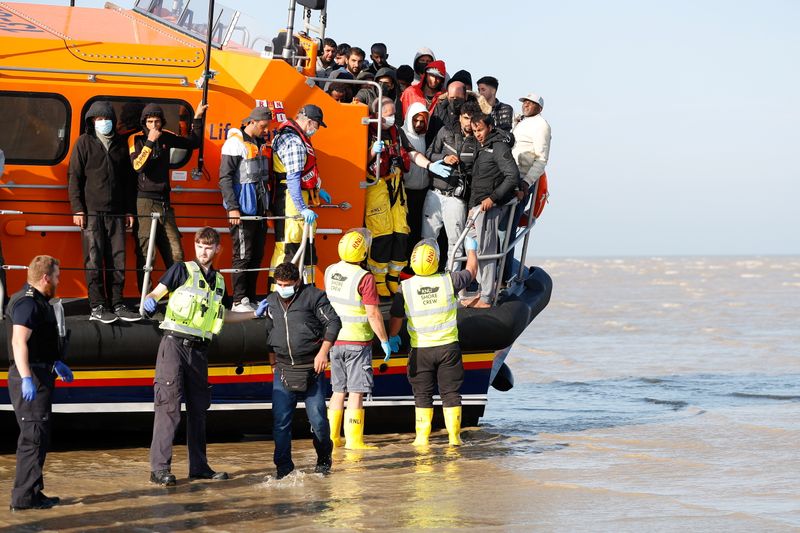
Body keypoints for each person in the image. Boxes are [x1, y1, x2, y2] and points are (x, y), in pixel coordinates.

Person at [142, 227, 266, 486]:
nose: (203, 251)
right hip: (173, 346)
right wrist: (150, 300)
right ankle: (159, 470)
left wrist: (254, 314)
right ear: (194, 246)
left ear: (217, 249)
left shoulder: (219, 282)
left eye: (208, 247)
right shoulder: (181, 270)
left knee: (199, 411)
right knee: (169, 409)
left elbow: (222, 315)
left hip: (198, 351)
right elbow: (157, 292)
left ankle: (199, 467)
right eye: (199, 246)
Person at [388, 237, 478, 446]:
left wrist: (392, 337)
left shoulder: (405, 288)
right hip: (448, 348)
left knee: (422, 395)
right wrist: (471, 250)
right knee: (451, 393)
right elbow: (472, 272)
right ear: (435, 260)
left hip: (421, 351)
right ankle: (454, 438)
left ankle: (421, 439)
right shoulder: (449, 281)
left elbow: (396, 317)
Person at [263, 261, 341, 479]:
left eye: (287, 284)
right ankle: (283, 468)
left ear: (296, 282)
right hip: (283, 369)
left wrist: (323, 353)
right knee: (280, 422)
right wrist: (272, 364)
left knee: (318, 421)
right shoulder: (271, 301)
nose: (282, 288)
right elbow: (268, 334)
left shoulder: (314, 297)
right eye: (279, 284)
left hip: (312, 368)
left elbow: (334, 323)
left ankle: (324, 458)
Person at [366, 97, 451, 297]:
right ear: (377, 115)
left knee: (401, 232)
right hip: (377, 187)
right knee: (382, 234)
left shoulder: (397, 132)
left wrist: (429, 165)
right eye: (387, 115)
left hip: (397, 186)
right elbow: (359, 161)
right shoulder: (367, 130)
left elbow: (411, 154)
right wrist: (372, 152)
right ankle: (378, 279)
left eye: (392, 114)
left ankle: (393, 278)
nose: (391, 118)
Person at [7, 255, 73, 511]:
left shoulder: (38, 302)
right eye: (56, 277)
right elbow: (18, 341)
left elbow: (39, 342)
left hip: (42, 373)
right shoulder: (28, 303)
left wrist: (55, 361)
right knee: (32, 438)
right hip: (32, 377)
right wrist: (26, 377)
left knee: (40, 437)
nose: (58, 281)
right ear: (46, 278)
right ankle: (23, 500)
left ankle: (34, 492)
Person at [68, 101, 139, 324]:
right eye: (97, 119)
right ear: (92, 122)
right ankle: (97, 305)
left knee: (118, 260)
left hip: (117, 213)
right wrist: (77, 209)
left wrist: (129, 209)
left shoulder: (120, 145)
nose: (102, 122)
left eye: (105, 118)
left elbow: (129, 181)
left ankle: (117, 303)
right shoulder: (83, 143)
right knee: (94, 259)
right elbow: (74, 178)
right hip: (91, 213)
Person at [324, 229, 397, 449]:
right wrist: (384, 339)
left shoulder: (330, 270)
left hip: (334, 341)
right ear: (364, 252)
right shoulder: (364, 278)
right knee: (356, 391)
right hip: (357, 342)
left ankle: (332, 439)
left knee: (338, 391)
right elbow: (373, 313)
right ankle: (354, 442)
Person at [129, 102, 208, 292]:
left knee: (176, 253)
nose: (154, 125)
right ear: (144, 122)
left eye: (157, 121)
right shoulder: (136, 139)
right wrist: (149, 141)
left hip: (164, 202)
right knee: (147, 253)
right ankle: (145, 299)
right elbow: (138, 166)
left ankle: (177, 296)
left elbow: (193, 142)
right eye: (150, 121)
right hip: (144, 202)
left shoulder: (166, 137)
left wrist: (196, 118)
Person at [268, 104, 330, 288]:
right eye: (317, 125)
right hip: (290, 200)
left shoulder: (294, 138)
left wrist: (317, 190)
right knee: (288, 247)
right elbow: (293, 179)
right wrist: (302, 207)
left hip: (295, 198)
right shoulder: (294, 142)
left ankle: (306, 290)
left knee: (306, 247)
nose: (316, 130)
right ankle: (278, 294)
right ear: (310, 122)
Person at [219, 106, 272, 312]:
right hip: (242, 209)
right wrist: (233, 208)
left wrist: (266, 208)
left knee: (256, 254)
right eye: (263, 126)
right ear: (252, 122)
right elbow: (225, 178)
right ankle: (238, 299)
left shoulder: (258, 143)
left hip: (259, 208)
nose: (265, 130)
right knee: (242, 254)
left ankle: (249, 297)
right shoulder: (234, 143)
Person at [465, 113, 521, 308]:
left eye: (480, 130)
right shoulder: (481, 147)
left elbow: (512, 175)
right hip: (477, 207)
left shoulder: (498, 147)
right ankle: (481, 291)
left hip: (490, 207)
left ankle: (487, 297)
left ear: (489, 127)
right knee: (473, 246)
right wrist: (473, 206)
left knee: (486, 251)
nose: (477, 134)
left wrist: (493, 198)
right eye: (474, 131)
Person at [423, 100, 482, 270]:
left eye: (472, 119)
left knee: (455, 243)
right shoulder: (445, 131)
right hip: (434, 192)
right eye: (465, 118)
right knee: (427, 239)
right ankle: (425, 274)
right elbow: (429, 153)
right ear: (460, 117)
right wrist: (443, 159)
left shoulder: (478, 140)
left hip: (457, 198)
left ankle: (452, 282)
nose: (468, 123)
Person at [504, 92, 552, 280]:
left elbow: (541, 159)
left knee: (509, 229)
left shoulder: (541, 126)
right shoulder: (522, 122)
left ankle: (504, 276)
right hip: (508, 178)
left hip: (522, 180)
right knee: (503, 228)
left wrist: (526, 182)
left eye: (530, 103)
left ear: (539, 108)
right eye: (524, 101)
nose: (525, 105)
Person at [401, 102, 431, 262]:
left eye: (422, 121)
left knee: (418, 229)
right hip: (406, 191)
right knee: (405, 229)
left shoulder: (426, 136)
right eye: (416, 121)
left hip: (422, 191)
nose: (419, 124)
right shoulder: (402, 134)